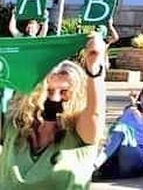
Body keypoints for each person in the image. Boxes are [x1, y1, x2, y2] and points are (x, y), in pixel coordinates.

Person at [0, 34, 107, 189]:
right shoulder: (15, 126)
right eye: (48, 91)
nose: (55, 98)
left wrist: (94, 69)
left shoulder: (80, 134)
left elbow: (94, 114)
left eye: (64, 91)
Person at [93, 81, 143, 180]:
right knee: (117, 129)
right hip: (120, 158)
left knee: (123, 129)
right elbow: (114, 133)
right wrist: (132, 113)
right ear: (141, 97)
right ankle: (100, 166)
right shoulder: (130, 111)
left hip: (141, 160)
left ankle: (93, 167)